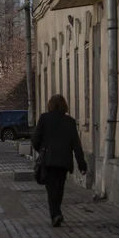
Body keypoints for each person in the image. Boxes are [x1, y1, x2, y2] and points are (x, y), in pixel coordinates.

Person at [31, 94, 87, 228]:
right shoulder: (70, 121)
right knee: (60, 187)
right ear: (64, 106)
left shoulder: (45, 118)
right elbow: (76, 144)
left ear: (50, 105)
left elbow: (35, 139)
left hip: (49, 160)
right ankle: (57, 212)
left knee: (51, 189)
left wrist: (42, 150)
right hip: (64, 160)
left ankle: (55, 214)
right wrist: (81, 164)